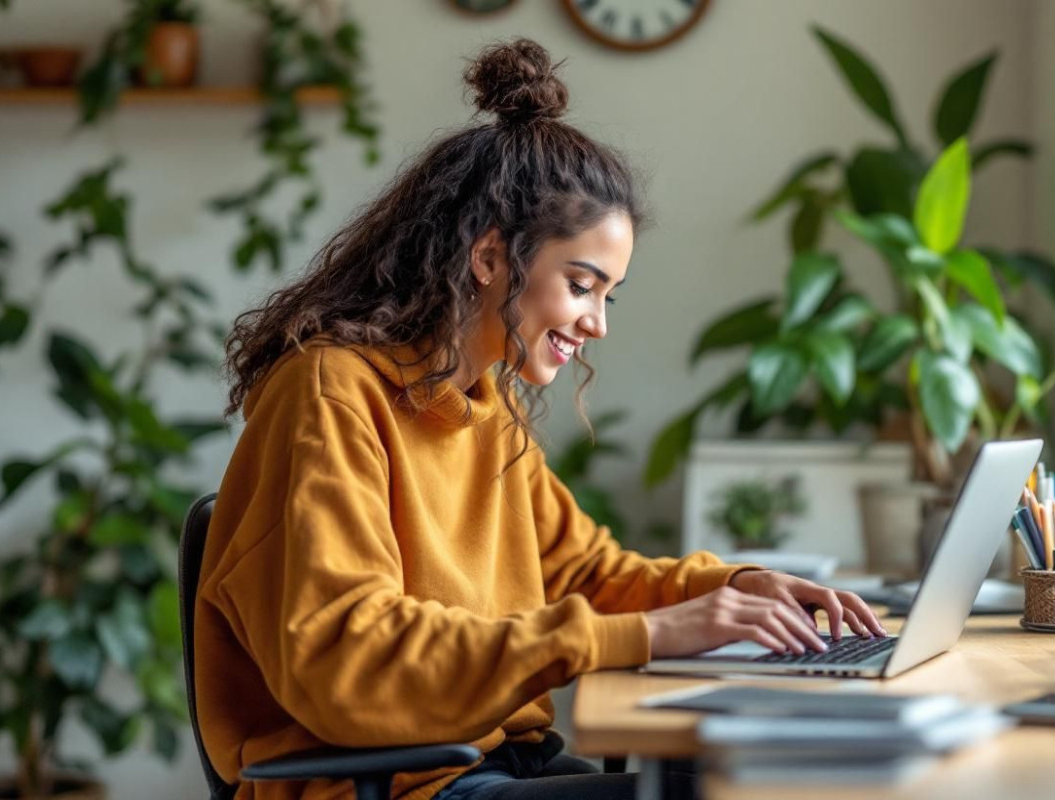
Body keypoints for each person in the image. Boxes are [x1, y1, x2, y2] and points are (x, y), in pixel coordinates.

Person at [195, 38, 886, 800]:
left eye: (607, 295)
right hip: (404, 785)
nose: (597, 323)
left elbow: (589, 574)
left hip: (492, 763)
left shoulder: (484, 407)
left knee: (769, 772)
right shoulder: (329, 395)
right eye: (582, 284)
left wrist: (744, 588)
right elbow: (350, 657)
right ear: (491, 257)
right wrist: (650, 635)